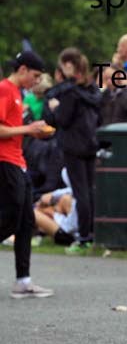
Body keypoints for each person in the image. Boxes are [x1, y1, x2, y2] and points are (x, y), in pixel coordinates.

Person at [0, 51, 54, 298]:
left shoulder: (19, 94)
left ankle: (23, 280)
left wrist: (33, 132)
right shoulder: (5, 89)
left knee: (26, 222)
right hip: (5, 162)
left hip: (17, 160)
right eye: (34, 76)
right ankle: (23, 280)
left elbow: (11, 130)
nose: (36, 81)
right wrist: (28, 128)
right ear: (22, 69)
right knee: (11, 217)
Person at [43, 48, 102, 253]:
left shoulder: (69, 92)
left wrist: (54, 108)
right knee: (90, 189)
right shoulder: (92, 89)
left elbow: (62, 119)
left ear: (68, 65)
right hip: (90, 143)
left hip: (73, 145)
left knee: (80, 192)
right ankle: (93, 233)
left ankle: (84, 235)